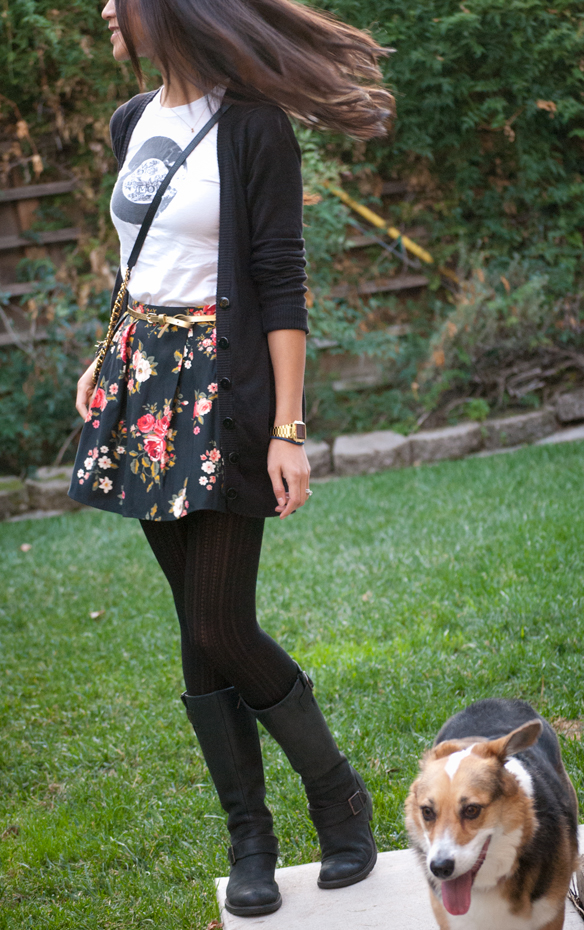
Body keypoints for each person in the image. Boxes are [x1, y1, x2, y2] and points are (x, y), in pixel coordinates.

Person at [69, 0, 393, 917]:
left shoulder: (255, 127)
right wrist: (111, 349)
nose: (105, 8)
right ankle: (250, 837)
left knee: (220, 623)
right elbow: (140, 256)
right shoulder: (134, 122)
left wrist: (289, 430)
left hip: (229, 391)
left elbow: (282, 279)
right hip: (146, 390)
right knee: (193, 624)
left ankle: (338, 796)